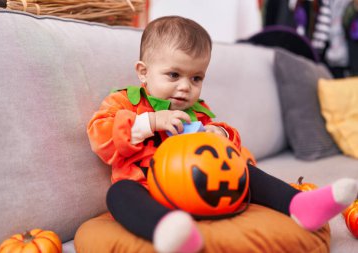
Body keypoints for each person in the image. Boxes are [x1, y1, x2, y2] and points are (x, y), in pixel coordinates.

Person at [87, 16, 358, 253]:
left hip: (197, 187)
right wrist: (153, 121)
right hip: (148, 191)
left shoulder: (197, 113)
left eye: (196, 78)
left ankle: (299, 204)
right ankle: (165, 230)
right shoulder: (124, 102)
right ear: (143, 73)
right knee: (120, 193)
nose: (185, 88)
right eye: (173, 75)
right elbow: (102, 137)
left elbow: (229, 150)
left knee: (243, 171)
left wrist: (218, 134)